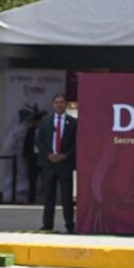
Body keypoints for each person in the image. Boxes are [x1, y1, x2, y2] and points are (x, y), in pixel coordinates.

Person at [35, 94, 76, 233]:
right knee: (48, 196)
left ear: (65, 104)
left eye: (62, 102)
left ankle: (70, 224)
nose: (59, 105)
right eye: (56, 102)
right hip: (49, 163)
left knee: (66, 196)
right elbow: (39, 141)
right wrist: (48, 154)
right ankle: (47, 224)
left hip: (65, 163)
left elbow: (77, 143)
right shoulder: (46, 121)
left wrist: (65, 155)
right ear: (53, 105)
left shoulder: (73, 122)